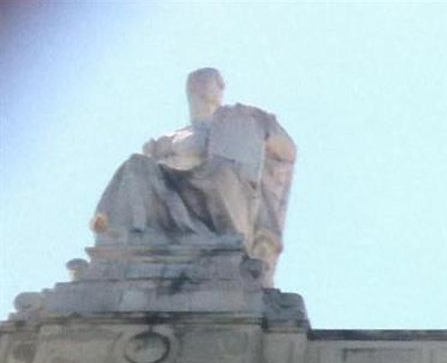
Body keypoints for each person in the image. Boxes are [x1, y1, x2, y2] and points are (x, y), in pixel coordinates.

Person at [91, 69, 297, 281]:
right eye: (215, 81)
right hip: (174, 194)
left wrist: (266, 125)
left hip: (219, 197)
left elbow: (287, 152)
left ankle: (216, 237)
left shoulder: (235, 123)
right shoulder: (171, 138)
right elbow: (157, 171)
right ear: (194, 87)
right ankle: (122, 236)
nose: (222, 87)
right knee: (134, 165)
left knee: (221, 172)